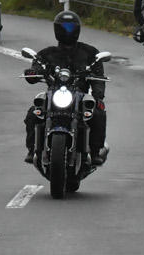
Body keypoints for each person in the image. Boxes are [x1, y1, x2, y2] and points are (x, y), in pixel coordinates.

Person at [24, 10, 108, 166]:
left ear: (77, 29)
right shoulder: (47, 54)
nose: (67, 31)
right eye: (64, 27)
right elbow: (36, 68)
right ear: (57, 29)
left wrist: (98, 95)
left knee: (98, 112)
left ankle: (95, 151)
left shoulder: (89, 53)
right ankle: (32, 149)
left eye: (70, 27)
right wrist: (32, 73)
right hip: (54, 94)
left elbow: (98, 76)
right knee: (33, 112)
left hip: (80, 95)